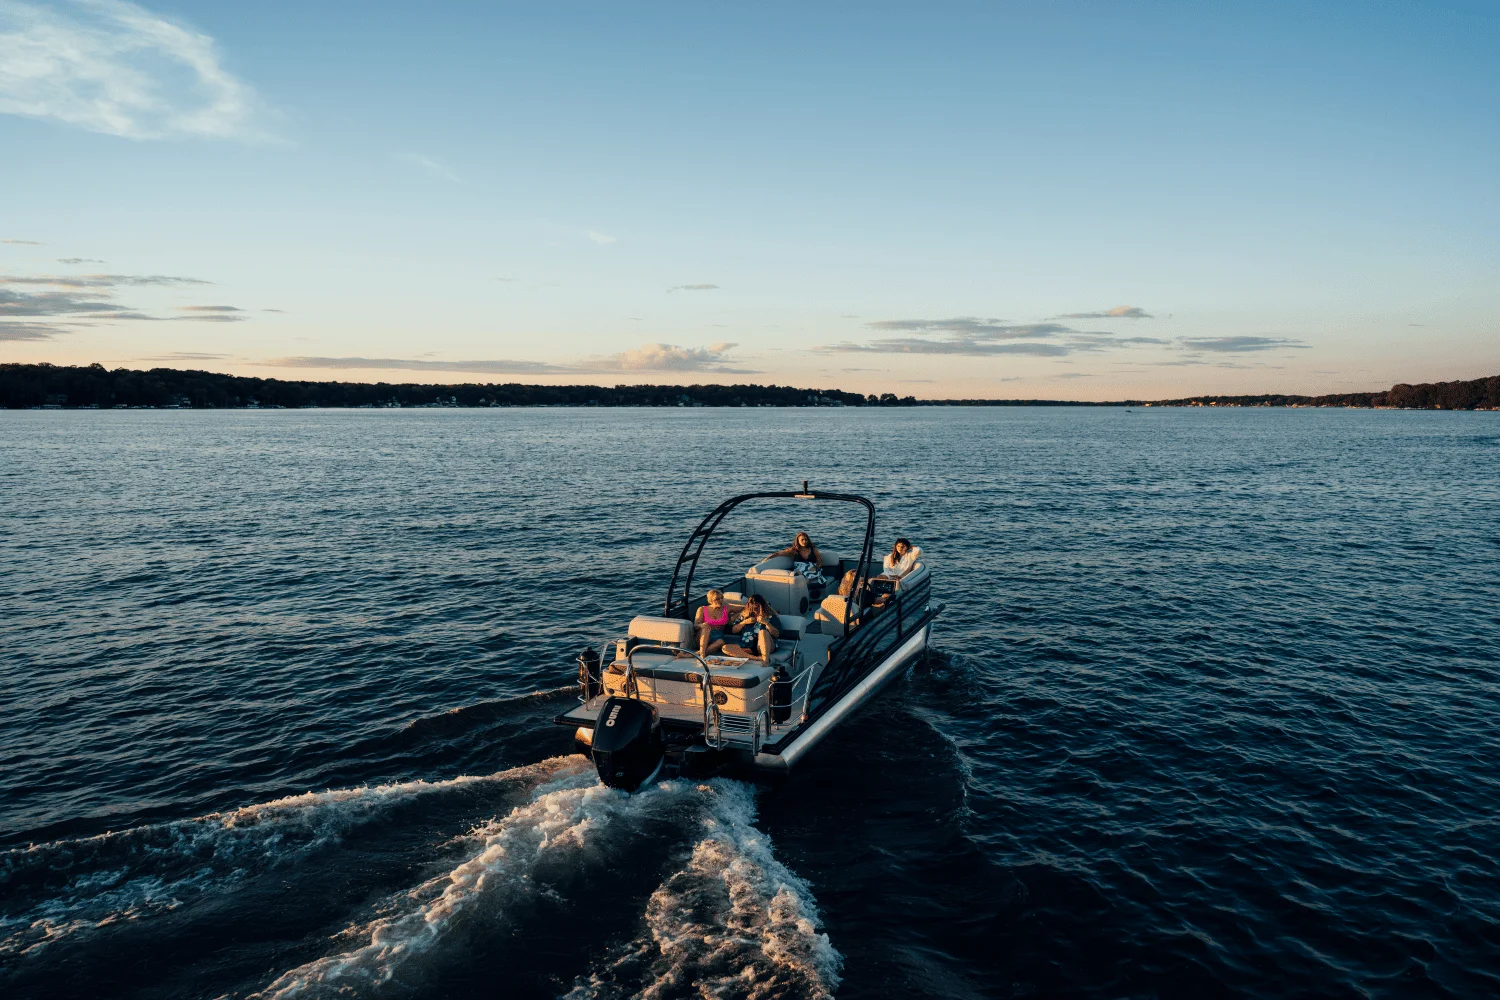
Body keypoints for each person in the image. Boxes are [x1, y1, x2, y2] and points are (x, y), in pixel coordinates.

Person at [721, 594, 780, 661]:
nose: (755, 611)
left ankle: (765, 660)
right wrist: (744, 622)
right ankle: (756, 658)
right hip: (747, 646)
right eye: (752, 608)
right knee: (725, 648)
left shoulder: (770, 616)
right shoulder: (744, 615)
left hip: (766, 646)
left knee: (763, 632)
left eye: (757, 608)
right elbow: (734, 630)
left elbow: (777, 634)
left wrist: (766, 623)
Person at [693, 589, 732, 657]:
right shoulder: (702, 609)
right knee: (706, 627)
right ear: (711, 600)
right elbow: (695, 626)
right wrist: (702, 625)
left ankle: (692, 655)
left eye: (722, 598)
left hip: (716, 638)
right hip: (702, 637)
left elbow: (743, 608)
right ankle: (702, 655)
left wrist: (737, 615)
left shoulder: (726, 608)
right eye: (717, 599)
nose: (721, 600)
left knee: (721, 642)